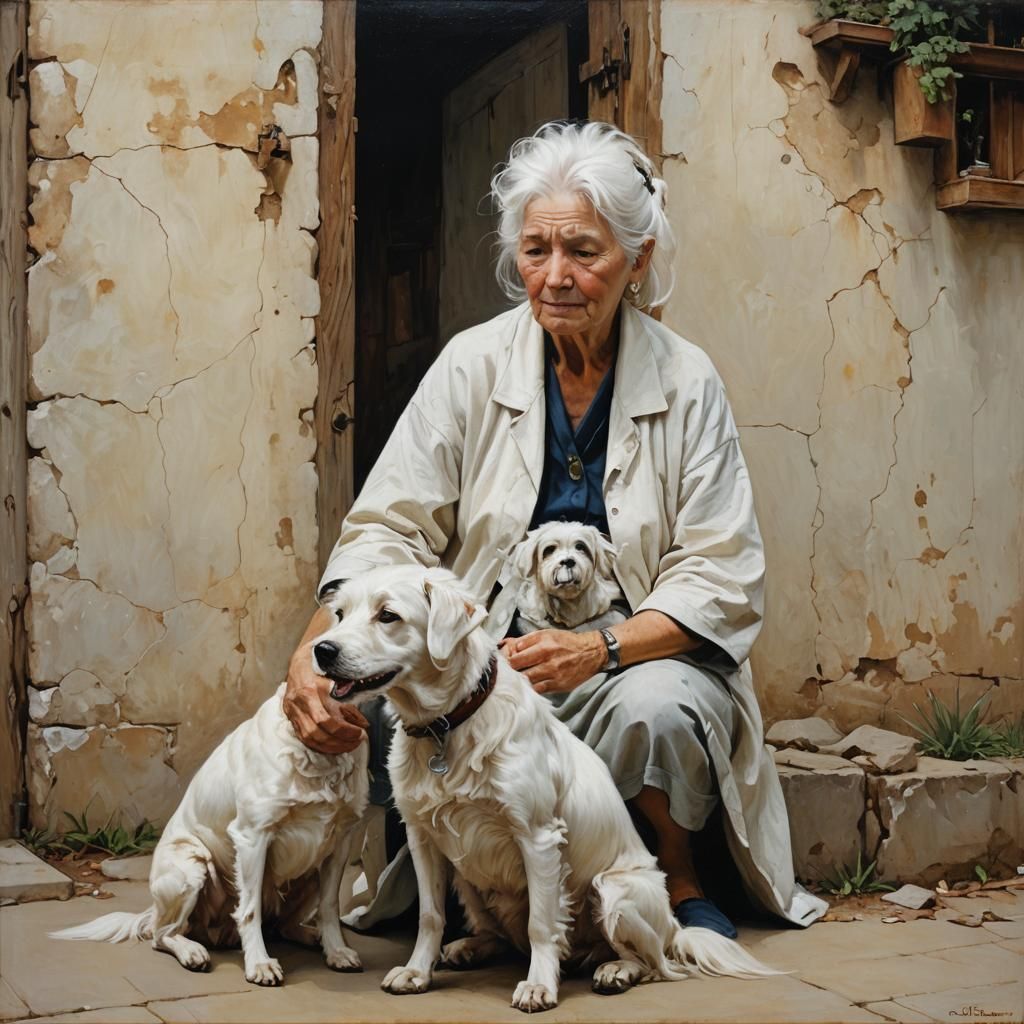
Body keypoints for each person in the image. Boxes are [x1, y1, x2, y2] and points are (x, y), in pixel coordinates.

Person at [283, 121, 826, 935]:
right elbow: (388, 525)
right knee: (371, 688)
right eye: (536, 250)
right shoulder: (472, 364)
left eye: (584, 250)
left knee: (660, 706)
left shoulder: (688, 380)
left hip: (622, 659)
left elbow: (721, 571)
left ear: (637, 260)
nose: (556, 276)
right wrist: (309, 647)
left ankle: (671, 881)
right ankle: (463, 896)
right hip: (487, 664)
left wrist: (597, 650)